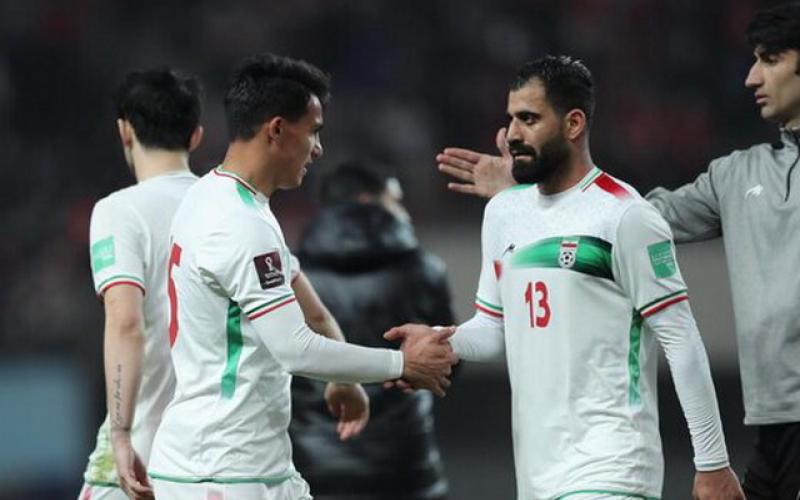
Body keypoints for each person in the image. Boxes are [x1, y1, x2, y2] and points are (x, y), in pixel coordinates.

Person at [437, 4, 800, 498]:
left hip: (615, 463)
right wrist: (528, 199)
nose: (751, 76)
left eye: (770, 59)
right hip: (773, 420)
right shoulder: (738, 175)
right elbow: (623, 219)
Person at [388, 55, 744, 499]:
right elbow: (493, 329)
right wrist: (442, 341)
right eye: (511, 118)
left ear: (574, 124)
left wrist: (712, 463)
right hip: (538, 474)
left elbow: (680, 339)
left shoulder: (625, 215)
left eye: (529, 119)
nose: (513, 133)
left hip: (612, 466)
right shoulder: (504, 212)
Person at [147, 53, 457, 500]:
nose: (318, 148)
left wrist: (344, 378)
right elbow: (295, 349)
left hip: (244, 463)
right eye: (313, 131)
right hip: (223, 472)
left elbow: (311, 310)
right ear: (276, 129)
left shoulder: (215, 197)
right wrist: (403, 363)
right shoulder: (240, 224)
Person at [290, 162, 455, 500]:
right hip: (405, 468)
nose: (401, 210)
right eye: (394, 199)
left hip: (312, 466)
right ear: (370, 200)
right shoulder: (424, 271)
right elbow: (448, 365)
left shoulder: (291, 275)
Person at [78, 68, 204, 500]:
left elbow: (126, 322)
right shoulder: (233, 205)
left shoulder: (119, 211)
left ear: (125, 131)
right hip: (217, 450)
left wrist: (120, 431)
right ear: (196, 136)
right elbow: (306, 312)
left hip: (145, 445)